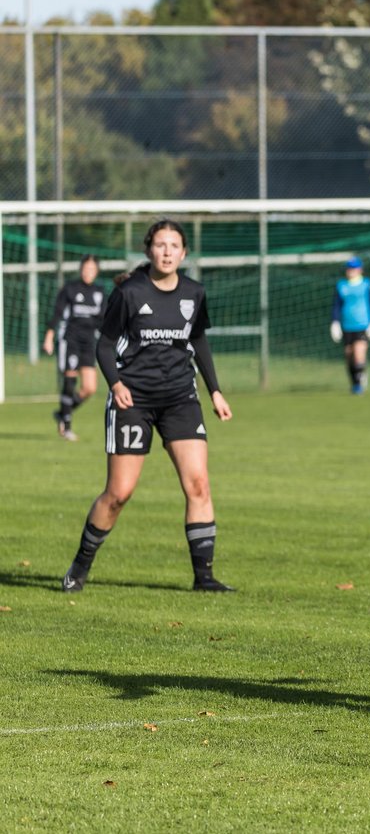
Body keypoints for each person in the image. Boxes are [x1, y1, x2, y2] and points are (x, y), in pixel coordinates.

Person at [61, 219, 235, 594]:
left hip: (180, 398)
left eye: (174, 245)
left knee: (199, 484)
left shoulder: (194, 292)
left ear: (184, 252)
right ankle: (80, 565)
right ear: (149, 250)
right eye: (160, 245)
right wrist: (117, 384)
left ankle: (204, 577)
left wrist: (215, 391)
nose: (168, 251)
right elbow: (104, 346)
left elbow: (199, 341)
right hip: (134, 399)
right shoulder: (129, 293)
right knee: (119, 493)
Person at [42, 255, 107, 441]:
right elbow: (57, 313)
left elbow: (103, 320)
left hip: (89, 342)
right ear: (81, 269)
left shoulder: (100, 292)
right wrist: (49, 336)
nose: (88, 272)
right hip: (70, 340)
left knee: (89, 388)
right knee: (70, 382)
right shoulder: (70, 289)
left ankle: (63, 412)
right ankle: (66, 426)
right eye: (85, 268)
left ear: (97, 271)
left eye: (92, 269)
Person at [329, 257, 370, 394]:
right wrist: (335, 322)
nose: (351, 271)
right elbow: (336, 306)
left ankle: (359, 383)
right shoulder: (341, 285)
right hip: (347, 325)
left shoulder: (366, 284)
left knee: (359, 352)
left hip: (362, 324)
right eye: (349, 268)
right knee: (349, 354)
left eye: (354, 268)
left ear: (360, 270)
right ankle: (355, 382)